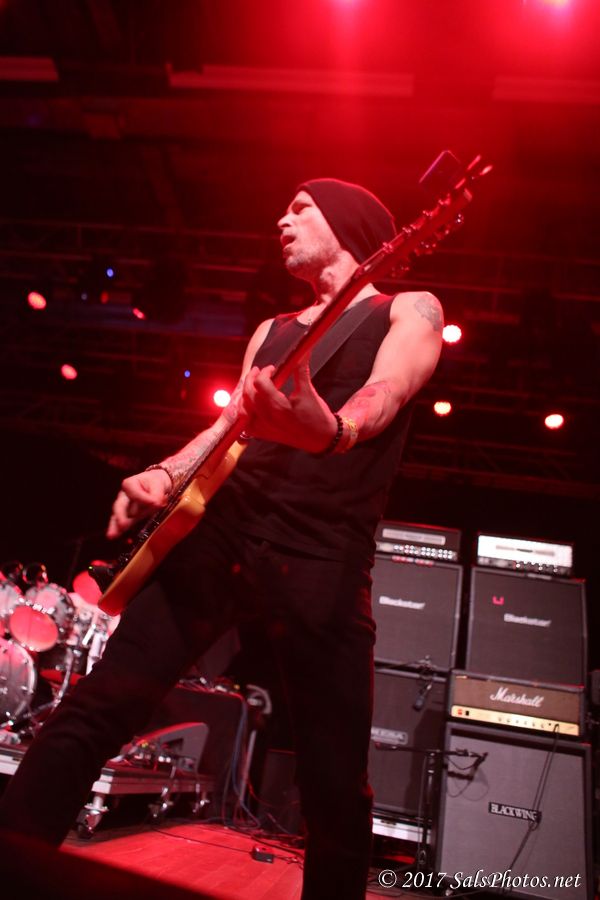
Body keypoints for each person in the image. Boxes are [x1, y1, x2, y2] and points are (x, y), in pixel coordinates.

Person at [0, 178, 443, 899]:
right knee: (99, 706)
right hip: (225, 530)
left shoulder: (408, 309)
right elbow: (225, 425)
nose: (281, 219)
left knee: (334, 777)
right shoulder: (273, 328)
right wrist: (163, 473)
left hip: (323, 551)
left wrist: (332, 429)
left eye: (300, 208)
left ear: (348, 223)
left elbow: (387, 391)